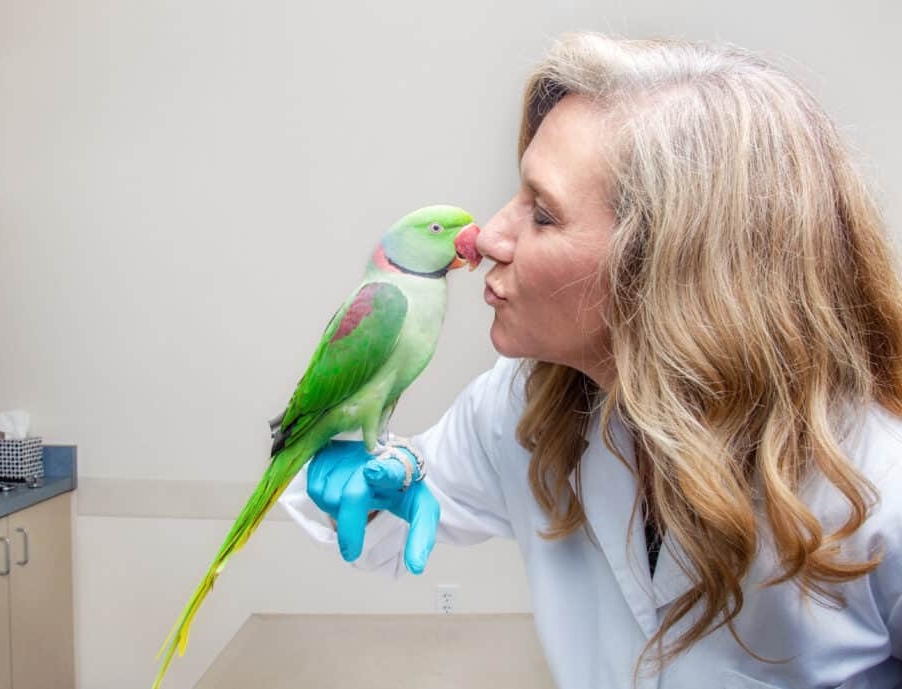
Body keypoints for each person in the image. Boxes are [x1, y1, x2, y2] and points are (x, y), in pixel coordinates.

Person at [278, 31, 902, 688]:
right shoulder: (521, 406)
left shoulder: (879, 488)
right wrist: (374, 487)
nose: (489, 236)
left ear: (670, 268)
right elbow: (394, 514)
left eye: (542, 213)